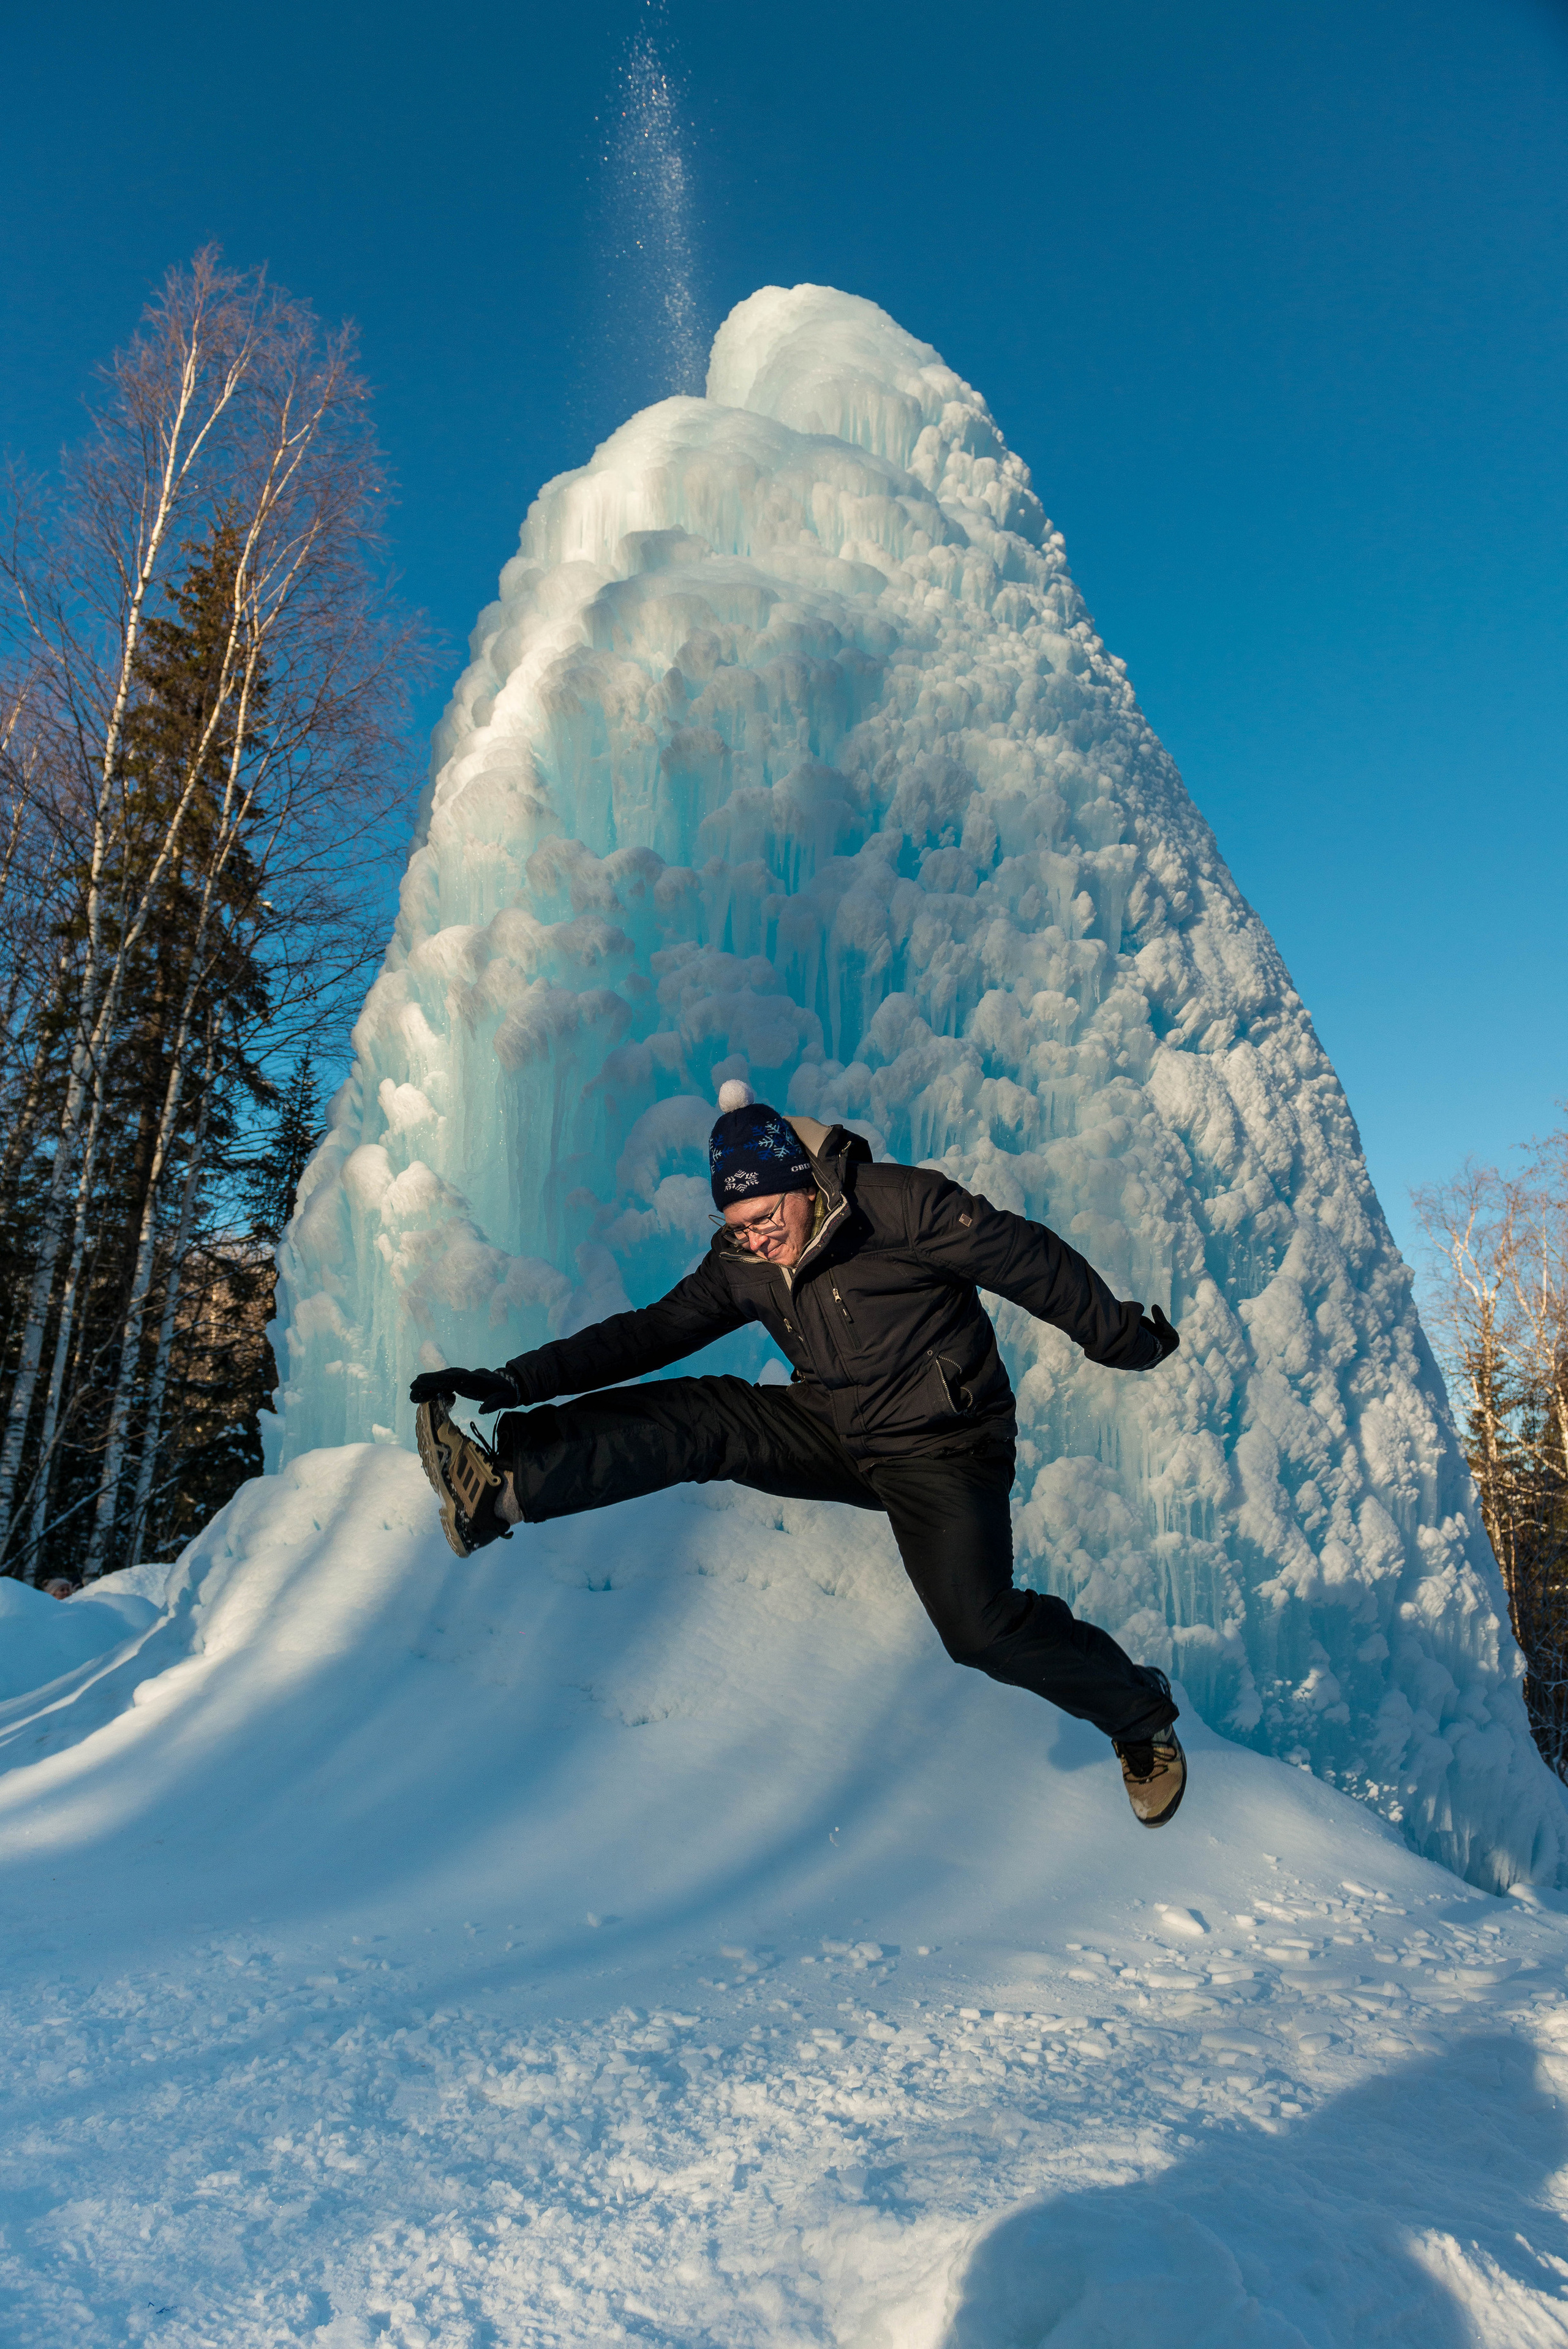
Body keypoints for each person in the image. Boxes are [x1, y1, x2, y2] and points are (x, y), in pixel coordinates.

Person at [410, 1087, 1188, 1827]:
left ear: (803, 1182)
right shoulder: (744, 1263)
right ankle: (504, 1489)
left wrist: (1124, 1338)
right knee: (701, 1417)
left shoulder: (900, 1204)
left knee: (977, 1629)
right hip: (838, 1428)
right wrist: (513, 1379)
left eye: (765, 1215)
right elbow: (645, 1335)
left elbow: (1025, 1257)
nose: (756, 1236)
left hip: (945, 1444)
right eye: (738, 1224)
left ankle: (1138, 1713)